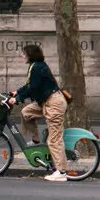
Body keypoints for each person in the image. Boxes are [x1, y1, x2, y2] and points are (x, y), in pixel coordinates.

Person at [11, 43, 77, 181]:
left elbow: (33, 88)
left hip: (53, 104)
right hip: (46, 102)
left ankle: (61, 172)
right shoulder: (36, 66)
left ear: (30, 55)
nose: (22, 56)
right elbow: (30, 86)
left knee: (54, 140)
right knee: (26, 112)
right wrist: (17, 92)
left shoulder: (38, 67)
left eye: (24, 54)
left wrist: (17, 99)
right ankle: (35, 140)